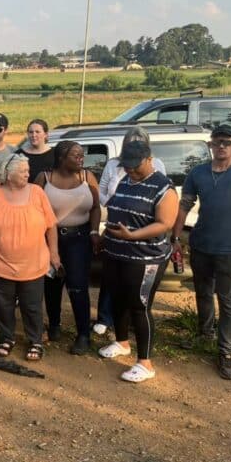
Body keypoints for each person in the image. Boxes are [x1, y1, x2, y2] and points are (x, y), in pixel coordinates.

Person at [98, 141, 178, 383]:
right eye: (127, 166)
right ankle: (122, 343)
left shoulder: (163, 188)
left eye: (135, 166)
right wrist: (105, 236)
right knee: (118, 300)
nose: (130, 170)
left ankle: (145, 363)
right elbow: (115, 210)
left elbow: (164, 223)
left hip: (145, 258)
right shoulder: (126, 180)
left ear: (149, 159)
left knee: (139, 306)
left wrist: (132, 235)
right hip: (116, 253)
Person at [172, 124, 231, 380]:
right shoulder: (198, 173)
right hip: (201, 245)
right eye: (216, 142)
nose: (221, 146)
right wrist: (175, 237)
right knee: (202, 292)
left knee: (228, 301)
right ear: (210, 146)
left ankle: (226, 353)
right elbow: (184, 205)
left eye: (226, 142)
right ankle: (205, 334)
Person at [0, 154, 60, 361]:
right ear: (9, 173)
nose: (28, 173)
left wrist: (54, 254)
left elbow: (51, 226)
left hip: (33, 263)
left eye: (27, 169)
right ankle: (7, 337)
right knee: (3, 304)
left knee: (31, 305)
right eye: (23, 170)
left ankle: (35, 340)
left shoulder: (37, 192)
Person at [94, 127, 166, 335]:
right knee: (112, 282)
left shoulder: (158, 171)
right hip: (116, 230)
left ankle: (137, 326)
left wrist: (133, 231)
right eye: (131, 140)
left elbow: (161, 213)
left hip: (141, 242)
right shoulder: (115, 166)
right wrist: (115, 204)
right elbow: (103, 189)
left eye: (140, 140)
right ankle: (108, 321)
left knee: (136, 291)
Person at [34, 141, 101, 355]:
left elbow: (96, 207)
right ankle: (54, 325)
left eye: (82, 155)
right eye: (76, 155)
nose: (81, 159)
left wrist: (94, 231)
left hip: (80, 238)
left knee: (78, 285)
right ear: (62, 157)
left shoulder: (86, 177)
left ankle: (83, 334)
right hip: (49, 238)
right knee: (52, 283)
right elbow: (33, 208)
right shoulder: (44, 178)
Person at [16, 119, 55, 183]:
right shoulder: (18, 155)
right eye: (31, 132)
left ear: (45, 134)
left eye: (37, 132)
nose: (34, 135)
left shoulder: (55, 155)